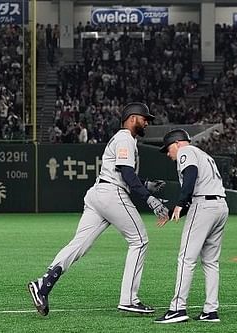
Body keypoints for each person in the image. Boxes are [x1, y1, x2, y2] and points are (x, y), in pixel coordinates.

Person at [27, 102, 169, 316]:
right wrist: (149, 198)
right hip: (111, 194)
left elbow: (122, 172)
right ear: (132, 118)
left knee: (78, 245)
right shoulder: (124, 138)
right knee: (139, 240)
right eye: (144, 118)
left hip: (99, 194)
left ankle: (43, 284)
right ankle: (129, 299)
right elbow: (125, 173)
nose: (147, 122)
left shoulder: (123, 139)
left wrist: (146, 183)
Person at [154, 129, 229, 324]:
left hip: (203, 206)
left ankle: (177, 308)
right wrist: (172, 213)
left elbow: (191, 175)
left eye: (168, 149)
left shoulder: (186, 151)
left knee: (186, 258)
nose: (169, 155)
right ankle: (210, 311)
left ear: (178, 143)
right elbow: (198, 185)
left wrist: (180, 201)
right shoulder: (204, 155)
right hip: (220, 206)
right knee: (211, 262)